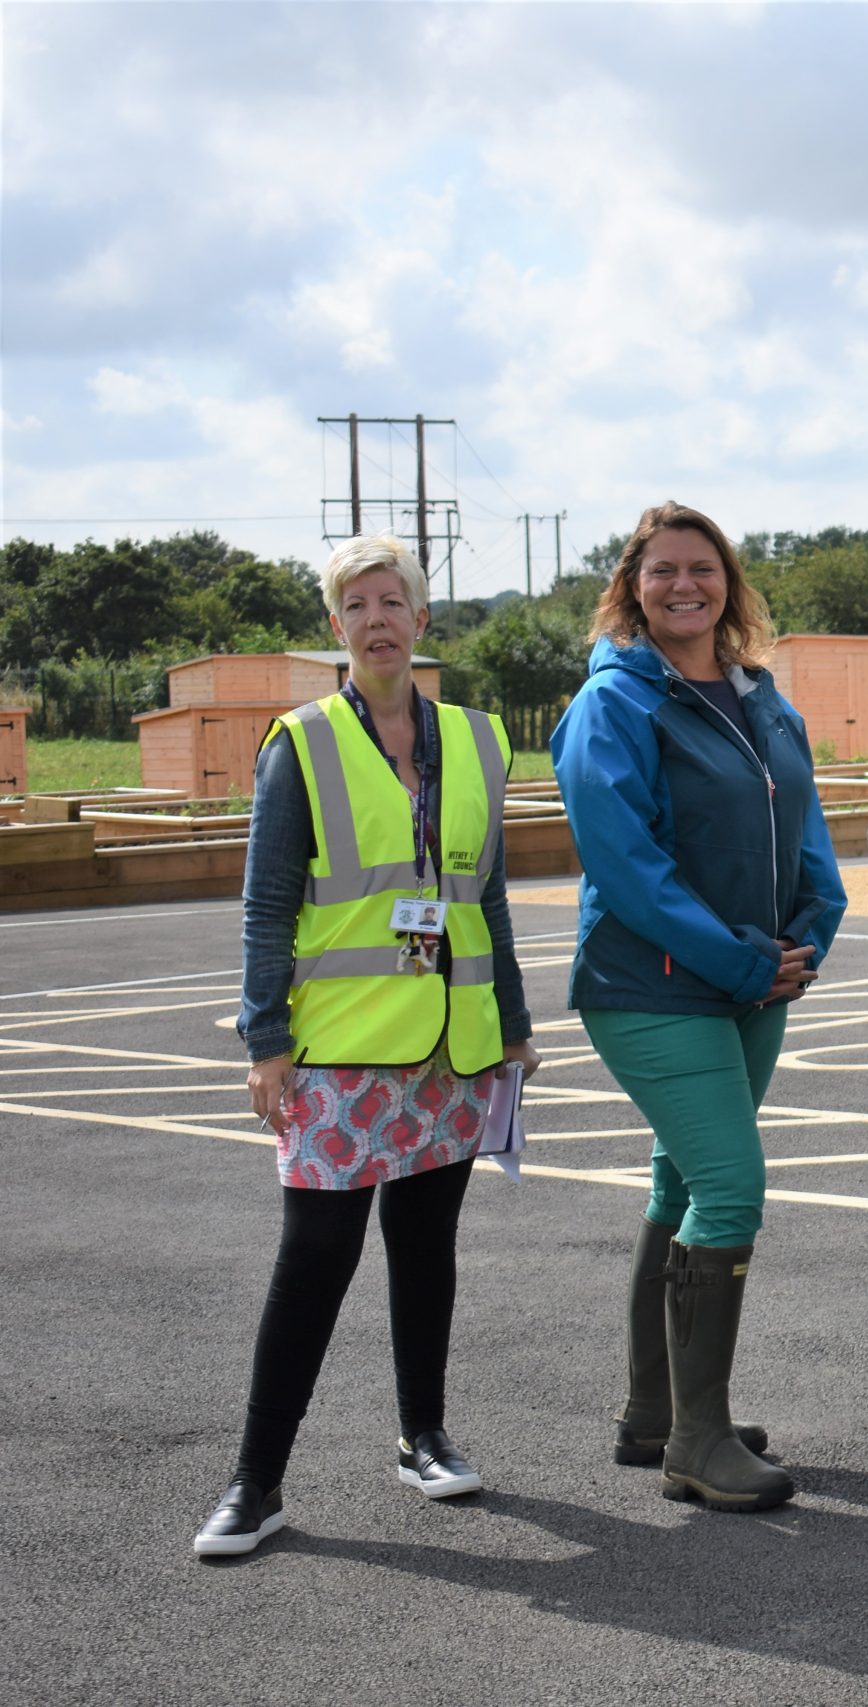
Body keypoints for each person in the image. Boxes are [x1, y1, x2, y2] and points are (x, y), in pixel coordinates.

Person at [196, 535, 540, 1557]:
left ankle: (422, 1436)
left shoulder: (478, 741)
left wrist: (514, 1026)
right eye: (358, 605)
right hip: (340, 1049)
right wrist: (267, 1043)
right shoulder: (298, 743)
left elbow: (490, 901)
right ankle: (255, 1484)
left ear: (423, 622)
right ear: (334, 628)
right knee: (314, 1259)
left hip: (450, 1046)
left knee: (425, 1250)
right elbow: (265, 907)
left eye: (395, 601)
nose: (379, 619)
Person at [552, 501, 845, 1514]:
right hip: (657, 988)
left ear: (729, 582)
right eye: (664, 570)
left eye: (703, 568)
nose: (686, 586)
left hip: (756, 979)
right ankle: (698, 1442)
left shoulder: (762, 697)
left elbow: (803, 829)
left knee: (680, 1182)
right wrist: (736, 960)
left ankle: (655, 1412)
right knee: (729, 1187)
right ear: (632, 584)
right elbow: (626, 866)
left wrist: (818, 923)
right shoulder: (613, 706)